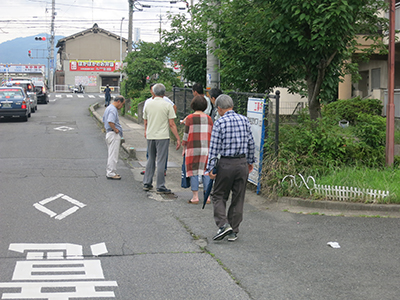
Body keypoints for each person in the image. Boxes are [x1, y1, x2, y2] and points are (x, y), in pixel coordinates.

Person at [206, 94, 255, 242]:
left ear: (219, 109)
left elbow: (214, 148)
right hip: (241, 163)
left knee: (218, 195)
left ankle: (223, 225)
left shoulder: (220, 123)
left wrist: (211, 168)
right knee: (238, 197)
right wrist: (250, 161)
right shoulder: (244, 120)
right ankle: (233, 230)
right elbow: (251, 142)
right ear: (232, 106)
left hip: (226, 164)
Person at [143, 83, 181, 194]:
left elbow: (145, 121)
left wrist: (146, 131)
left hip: (150, 135)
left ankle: (147, 182)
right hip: (163, 136)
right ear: (164, 93)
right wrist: (178, 138)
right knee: (160, 160)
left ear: (153, 92)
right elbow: (172, 124)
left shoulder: (148, 104)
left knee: (150, 158)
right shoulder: (167, 105)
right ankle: (160, 185)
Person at [182, 95, 213, 204]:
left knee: (193, 171)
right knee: (206, 171)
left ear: (193, 105)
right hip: (206, 148)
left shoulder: (189, 118)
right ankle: (207, 196)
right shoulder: (209, 119)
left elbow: (186, 135)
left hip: (192, 148)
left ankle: (195, 197)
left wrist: (183, 146)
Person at [102, 95, 126, 180]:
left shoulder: (109, 108)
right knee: (113, 155)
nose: (122, 106)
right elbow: (110, 121)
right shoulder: (113, 109)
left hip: (109, 133)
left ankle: (111, 171)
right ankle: (111, 172)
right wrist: (115, 129)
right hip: (113, 134)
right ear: (118, 101)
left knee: (111, 153)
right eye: (122, 104)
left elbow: (104, 120)